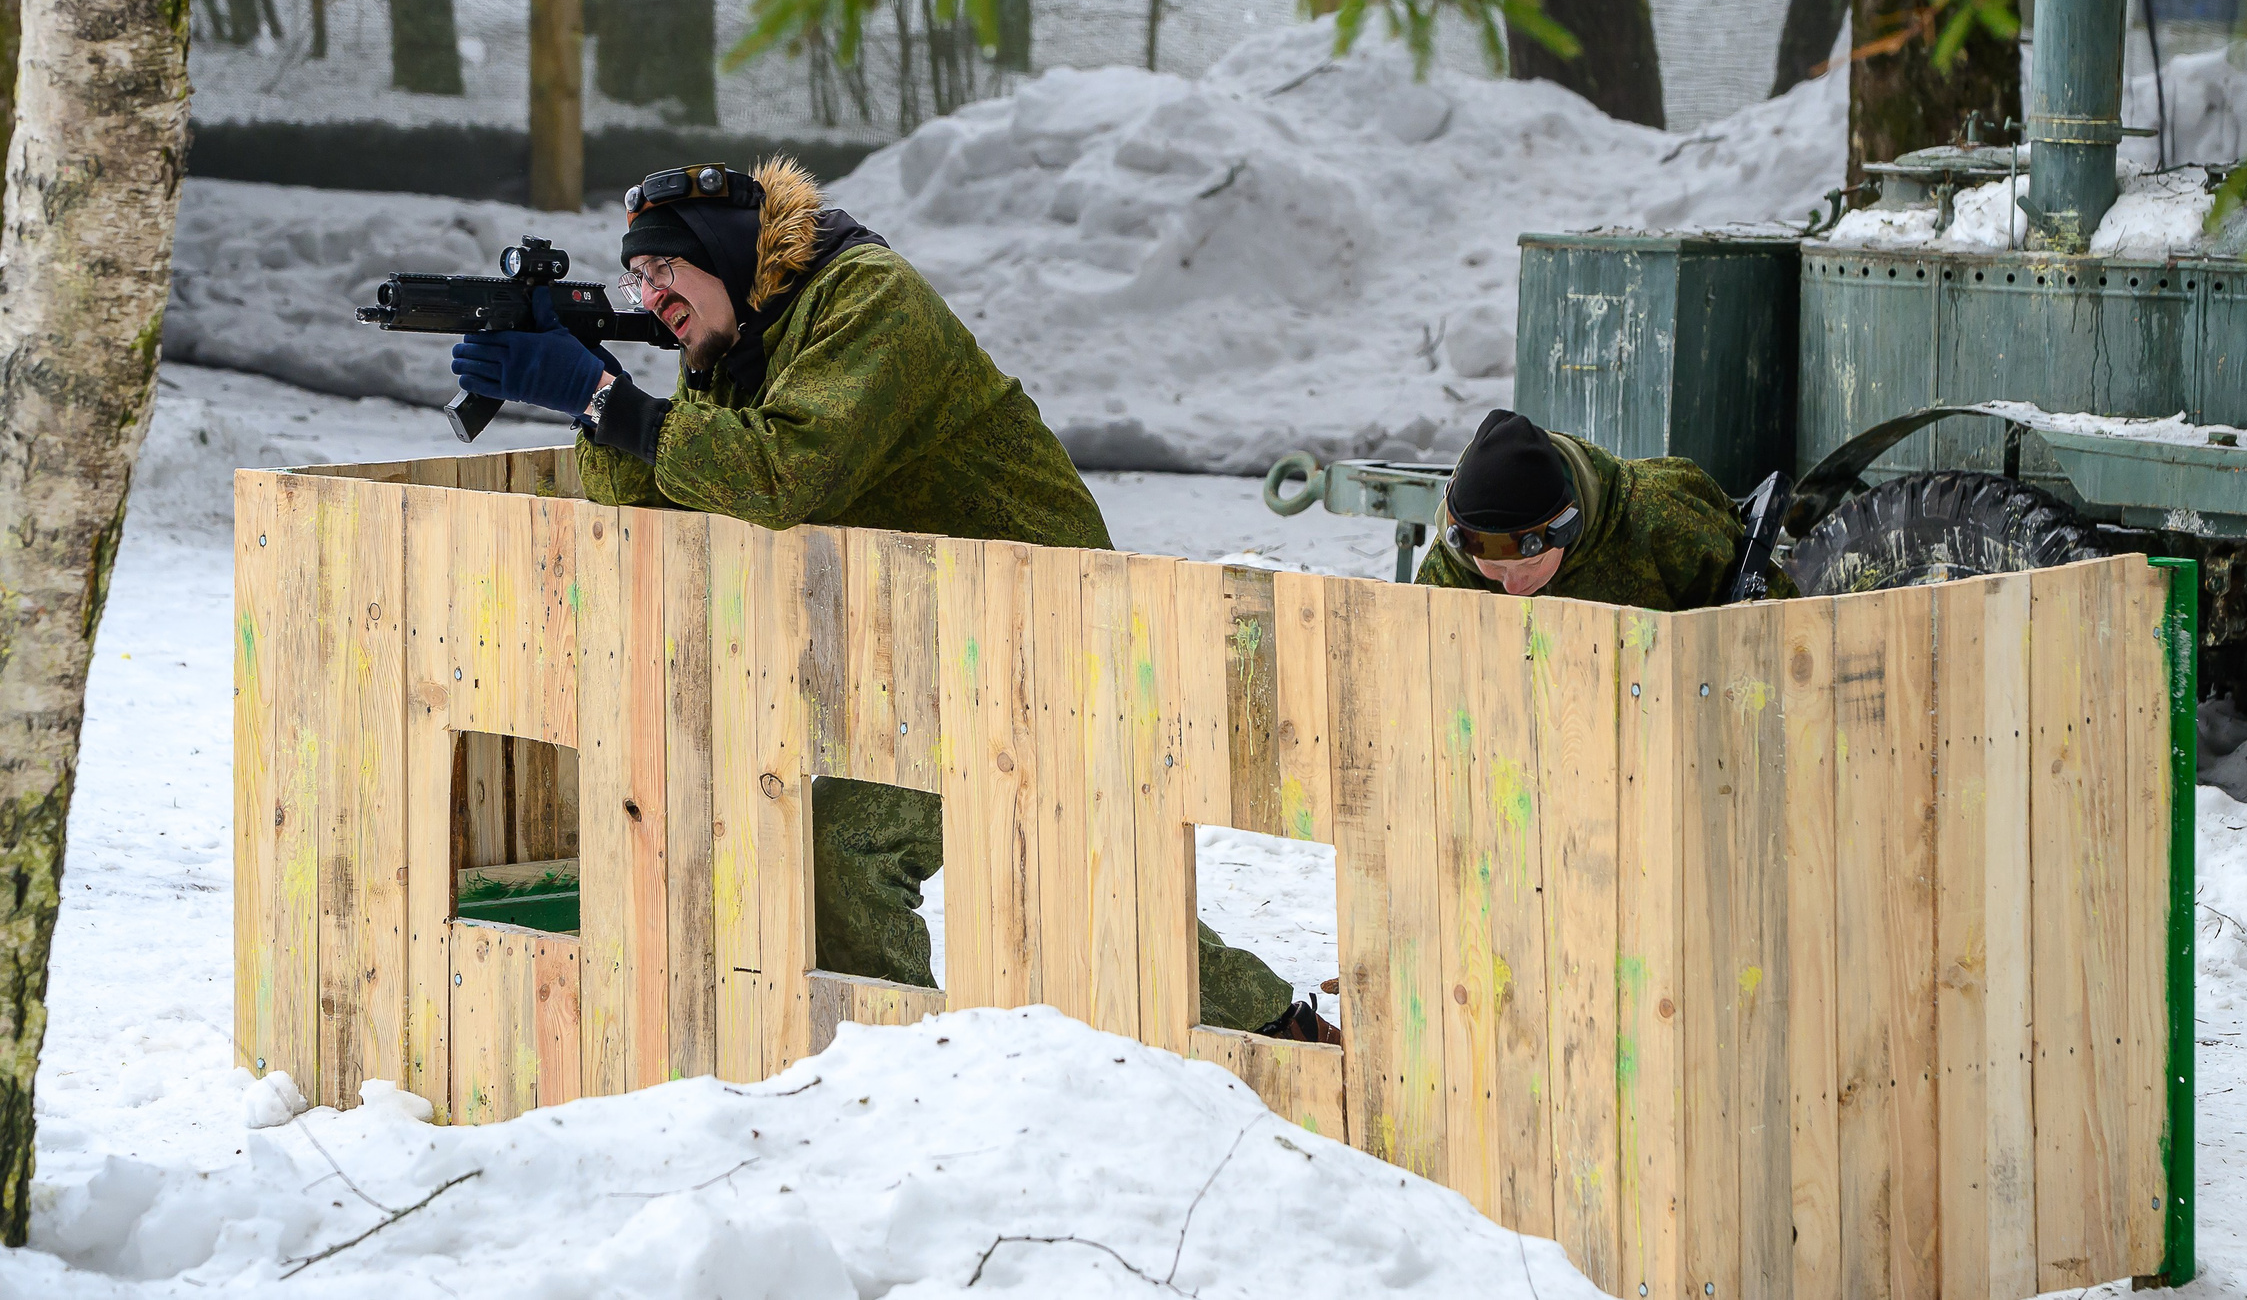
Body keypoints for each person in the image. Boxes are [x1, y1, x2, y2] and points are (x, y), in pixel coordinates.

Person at [449, 158, 1328, 1041]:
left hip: (1049, 624)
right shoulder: (733, 341)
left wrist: (606, 398)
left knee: (948, 856)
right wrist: (596, 401)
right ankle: (1269, 1035)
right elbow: (659, 487)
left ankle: (903, 1081)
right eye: (636, 278)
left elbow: (778, 473)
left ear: (722, 251)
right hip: (946, 638)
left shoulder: (865, 299)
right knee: (1059, 862)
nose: (649, 295)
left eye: (665, 270)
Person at [1414, 409, 1793, 610]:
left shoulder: (1661, 521)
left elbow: (1790, 624)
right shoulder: (1452, 569)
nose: (1513, 587)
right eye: (1494, 569)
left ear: (1568, 528)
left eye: (1528, 565)